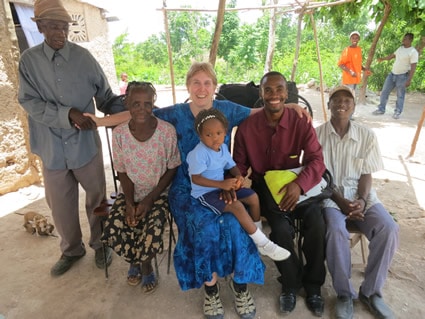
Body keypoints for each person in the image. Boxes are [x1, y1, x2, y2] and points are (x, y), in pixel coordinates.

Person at [89, 62, 309, 319]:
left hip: (220, 185)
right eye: (196, 83)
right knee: (204, 227)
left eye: (207, 83)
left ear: (215, 87)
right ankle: (211, 290)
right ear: (188, 86)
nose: (202, 88)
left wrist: (290, 105)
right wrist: (100, 121)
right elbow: (137, 114)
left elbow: (258, 111)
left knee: (235, 224)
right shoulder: (176, 113)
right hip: (186, 188)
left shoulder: (226, 109)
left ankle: (240, 286)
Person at [17, 0, 116, 276]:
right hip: (51, 148)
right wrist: (68, 114)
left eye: (64, 26)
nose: (60, 32)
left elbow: (105, 97)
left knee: (98, 200)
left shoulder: (84, 58)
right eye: (52, 27)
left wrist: (130, 109)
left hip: (86, 146)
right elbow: (29, 101)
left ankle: (101, 243)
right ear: (39, 27)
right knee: (60, 206)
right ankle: (71, 249)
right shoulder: (29, 61)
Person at [233, 71, 327, 317]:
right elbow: (238, 165)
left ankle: (314, 286)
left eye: (279, 89)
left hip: (300, 184)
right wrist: (235, 181)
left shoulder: (300, 122)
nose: (274, 95)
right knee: (281, 231)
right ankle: (290, 284)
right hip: (267, 189)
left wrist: (300, 184)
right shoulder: (246, 128)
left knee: (317, 224)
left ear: (287, 93)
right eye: (268, 90)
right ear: (261, 93)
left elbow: (317, 160)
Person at [316, 85, 399, 319]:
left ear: (353, 106)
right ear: (329, 104)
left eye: (347, 100)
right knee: (335, 230)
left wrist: (361, 200)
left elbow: (366, 173)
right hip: (331, 197)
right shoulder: (316, 135)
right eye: (336, 100)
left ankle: (371, 292)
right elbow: (319, 176)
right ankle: (344, 294)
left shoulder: (366, 135)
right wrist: (342, 202)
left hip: (362, 196)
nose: (342, 104)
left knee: (389, 228)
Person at [101, 81, 180, 293]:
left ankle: (145, 266)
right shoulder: (119, 134)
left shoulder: (166, 131)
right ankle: (133, 260)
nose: (142, 109)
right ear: (126, 102)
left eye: (147, 103)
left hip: (158, 193)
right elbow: (122, 171)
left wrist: (149, 199)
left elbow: (172, 168)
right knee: (116, 225)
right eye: (136, 104)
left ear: (154, 103)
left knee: (152, 228)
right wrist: (128, 202)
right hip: (129, 193)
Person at [187, 108, 291, 261]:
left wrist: (238, 176)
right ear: (200, 136)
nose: (214, 138)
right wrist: (222, 184)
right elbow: (196, 179)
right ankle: (264, 243)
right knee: (237, 206)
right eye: (208, 135)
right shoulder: (199, 153)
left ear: (225, 133)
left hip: (221, 186)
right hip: (205, 193)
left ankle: (258, 238)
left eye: (218, 133)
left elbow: (232, 165)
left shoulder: (222, 148)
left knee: (253, 197)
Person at [372, 33, 418, 119]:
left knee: (400, 95)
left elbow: (413, 67)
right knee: (384, 91)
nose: (403, 40)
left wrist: (409, 80)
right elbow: (391, 56)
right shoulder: (400, 48)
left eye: (405, 39)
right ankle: (381, 109)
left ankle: (397, 112)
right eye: (403, 38)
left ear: (410, 40)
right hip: (392, 74)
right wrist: (382, 59)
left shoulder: (413, 52)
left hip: (402, 76)